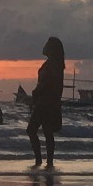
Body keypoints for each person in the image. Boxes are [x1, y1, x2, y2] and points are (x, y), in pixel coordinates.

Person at [27, 36, 64, 167]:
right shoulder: (55, 65)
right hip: (49, 103)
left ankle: (40, 160)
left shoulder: (52, 66)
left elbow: (46, 84)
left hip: (44, 102)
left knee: (31, 130)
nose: (44, 46)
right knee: (47, 132)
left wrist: (35, 93)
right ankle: (48, 162)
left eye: (46, 44)